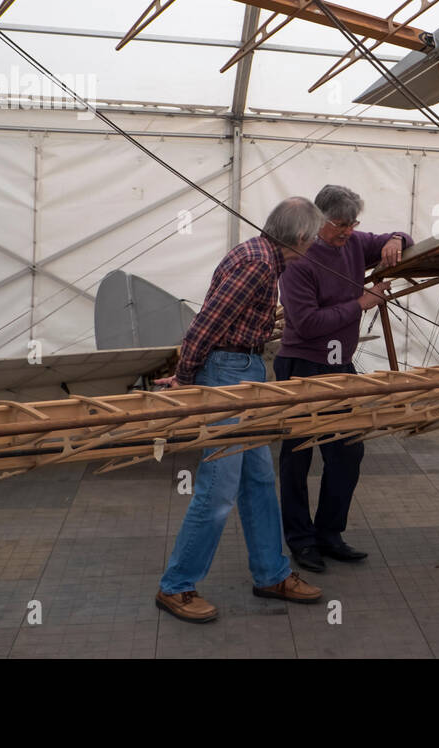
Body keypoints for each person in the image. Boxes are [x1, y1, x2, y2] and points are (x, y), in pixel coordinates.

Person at [153, 197, 326, 623]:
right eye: (315, 236)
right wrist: (186, 375)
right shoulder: (257, 264)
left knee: (259, 481)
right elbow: (207, 323)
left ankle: (271, 573)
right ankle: (176, 585)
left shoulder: (264, 257)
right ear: (301, 237)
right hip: (228, 370)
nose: (316, 243)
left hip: (245, 366)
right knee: (218, 488)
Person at [275, 185, 413, 572]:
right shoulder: (298, 259)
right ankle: (301, 541)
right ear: (320, 220)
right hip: (302, 365)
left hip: (340, 367)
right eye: (340, 225)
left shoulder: (353, 242)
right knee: (298, 457)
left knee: (347, 451)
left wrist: (397, 240)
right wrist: (360, 304)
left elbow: (395, 238)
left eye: (353, 224)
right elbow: (306, 324)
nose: (348, 232)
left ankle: (329, 534)